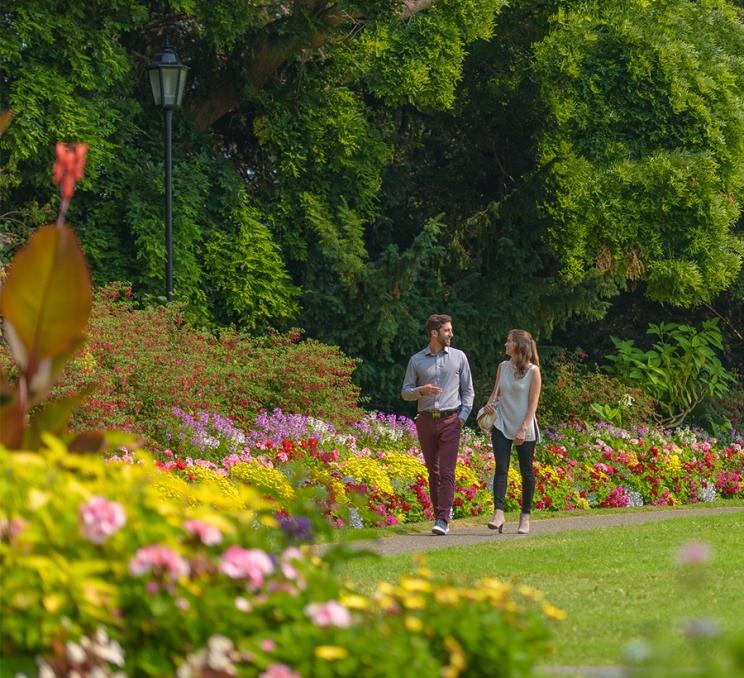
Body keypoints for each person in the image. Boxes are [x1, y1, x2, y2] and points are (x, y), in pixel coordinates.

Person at [401, 314, 475, 535]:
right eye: (447, 331)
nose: (451, 334)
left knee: (446, 471)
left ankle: (443, 519)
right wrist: (421, 391)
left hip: (451, 420)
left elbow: (468, 390)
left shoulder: (459, 357)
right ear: (434, 333)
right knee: (433, 472)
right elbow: (405, 393)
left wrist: (463, 417)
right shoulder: (416, 360)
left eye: (451, 330)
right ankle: (438, 515)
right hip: (425, 420)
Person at [481, 329, 541, 535]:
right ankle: (498, 514)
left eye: (508, 342)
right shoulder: (503, 367)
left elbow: (533, 404)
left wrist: (524, 428)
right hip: (502, 423)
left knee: (526, 472)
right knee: (501, 468)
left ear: (518, 345)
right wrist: (489, 405)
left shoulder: (534, 371)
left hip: (523, 426)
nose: (505, 345)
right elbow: (495, 395)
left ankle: (525, 516)